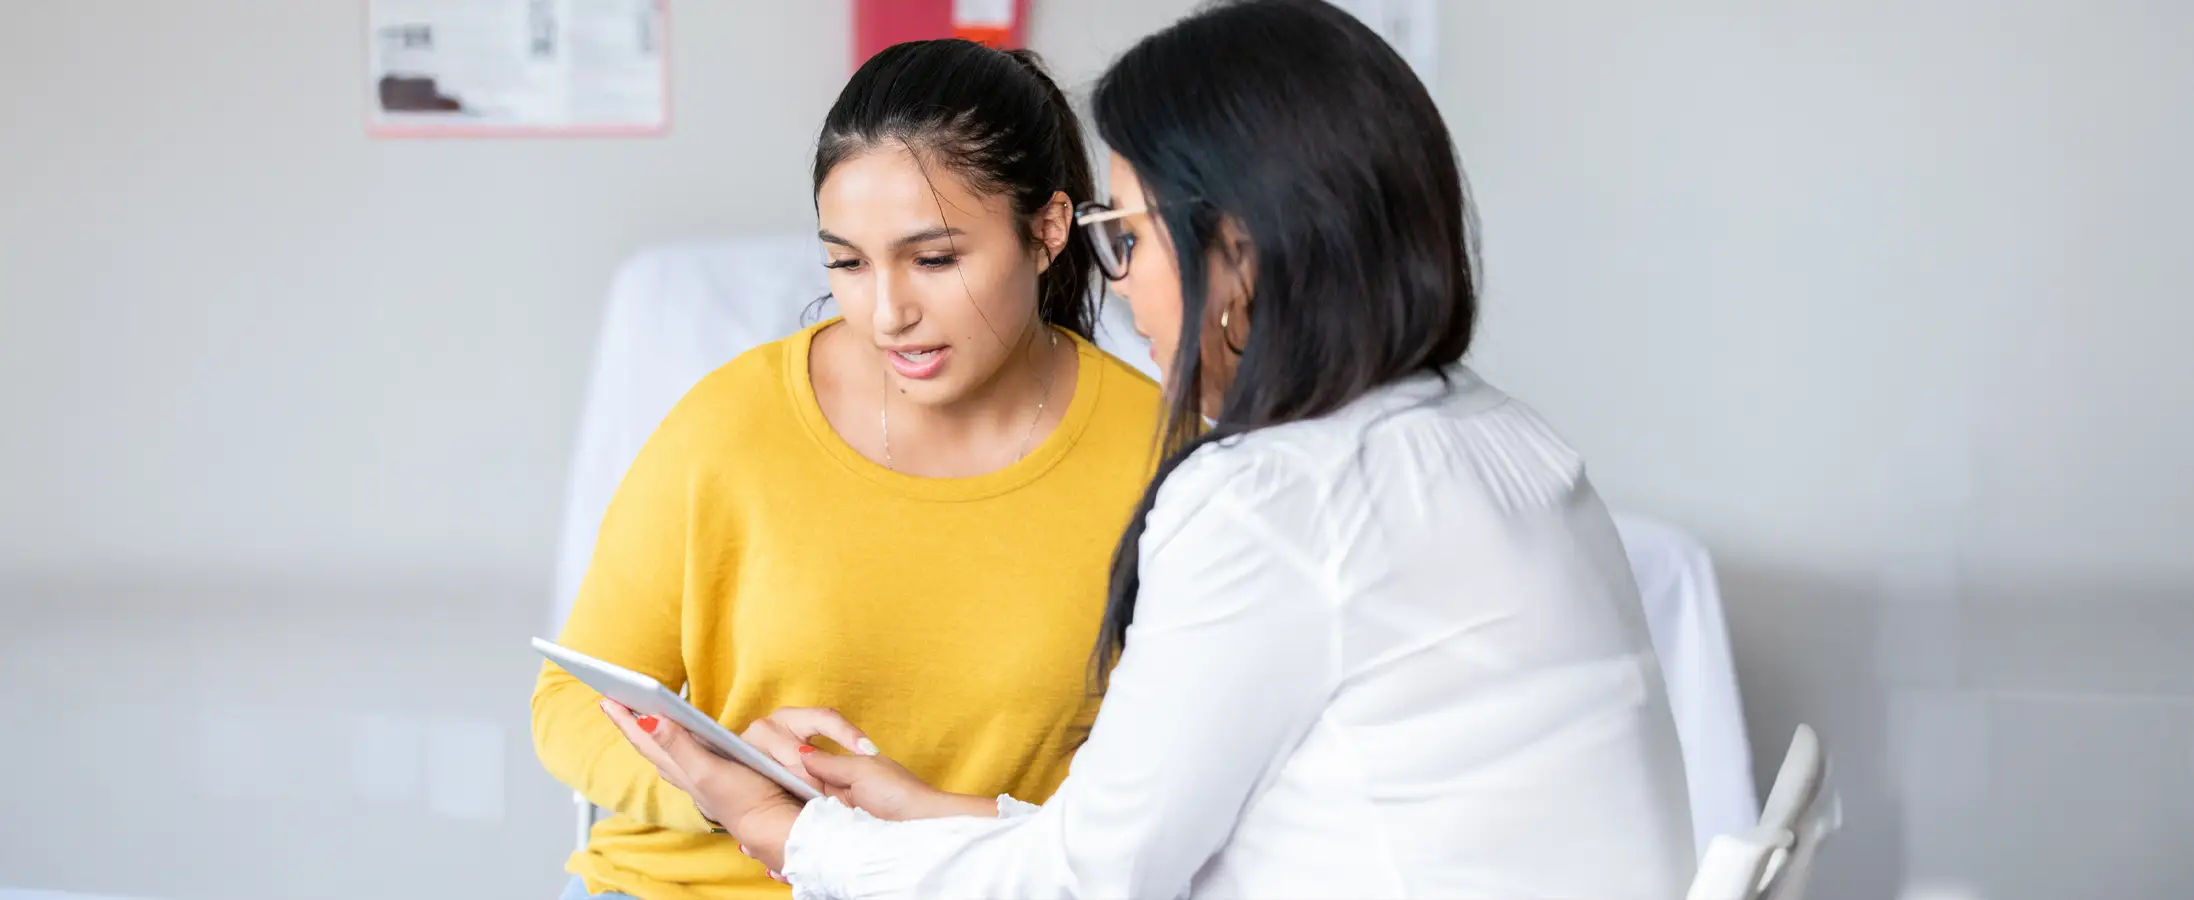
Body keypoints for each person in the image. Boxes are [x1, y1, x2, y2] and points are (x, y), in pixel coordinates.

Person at [603, 1, 1699, 897]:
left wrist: (785, 833)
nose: (1118, 286)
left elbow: (1090, 882)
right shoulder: (1507, 442)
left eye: (1125, 236)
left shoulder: (1271, 497)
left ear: (1239, 250)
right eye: (848, 263)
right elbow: (1143, 842)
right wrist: (929, 810)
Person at [533, 39, 1164, 900]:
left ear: (1048, 230)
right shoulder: (734, 423)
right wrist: (725, 789)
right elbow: (570, 704)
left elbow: (1157, 802)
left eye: (934, 260)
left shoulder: (1158, 458)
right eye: (848, 263)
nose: (888, 313)